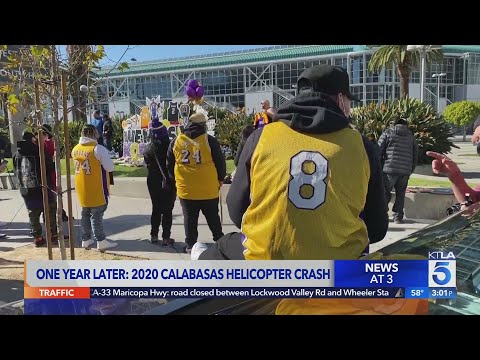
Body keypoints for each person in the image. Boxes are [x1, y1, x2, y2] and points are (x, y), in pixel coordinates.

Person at [195, 64, 396, 314]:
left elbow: (237, 213)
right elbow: (377, 230)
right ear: (341, 100)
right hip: (336, 272)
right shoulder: (362, 146)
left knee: (220, 246)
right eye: (349, 101)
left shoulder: (261, 137)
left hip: (266, 266)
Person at [166, 111, 226, 253]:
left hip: (186, 189)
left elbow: (169, 163)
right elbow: (220, 162)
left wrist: (174, 180)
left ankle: (190, 245)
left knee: (190, 219)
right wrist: (221, 178)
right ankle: (220, 241)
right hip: (208, 188)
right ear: (202, 125)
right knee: (213, 217)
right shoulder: (209, 140)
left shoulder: (176, 141)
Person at [71, 124, 117, 251]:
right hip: (97, 188)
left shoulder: (75, 149)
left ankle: (85, 239)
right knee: (96, 215)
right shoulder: (98, 148)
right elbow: (110, 168)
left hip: (82, 188)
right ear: (94, 133)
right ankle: (100, 240)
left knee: (85, 213)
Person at [13, 129, 58, 247]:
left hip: (27, 189)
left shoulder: (16, 154)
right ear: (32, 139)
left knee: (33, 215)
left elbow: (16, 172)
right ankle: (53, 234)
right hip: (43, 187)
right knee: (50, 212)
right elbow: (50, 167)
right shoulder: (39, 152)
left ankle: (37, 237)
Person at [378, 118, 418, 224]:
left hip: (388, 169)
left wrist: (379, 167)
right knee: (400, 194)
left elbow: (378, 151)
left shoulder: (387, 133)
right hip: (405, 171)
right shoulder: (411, 137)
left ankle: (382, 215)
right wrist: (410, 170)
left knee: (385, 193)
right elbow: (415, 155)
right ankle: (398, 217)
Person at [143, 136, 176, 246]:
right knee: (167, 211)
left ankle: (154, 236)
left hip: (152, 181)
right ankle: (166, 237)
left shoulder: (148, 148)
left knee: (156, 208)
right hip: (168, 181)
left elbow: (146, 162)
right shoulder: (170, 146)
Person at [41, 124, 69, 223]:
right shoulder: (49, 143)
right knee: (53, 195)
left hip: (45, 172)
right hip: (51, 172)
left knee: (48, 196)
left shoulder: (42, 144)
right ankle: (58, 214)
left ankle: (55, 214)